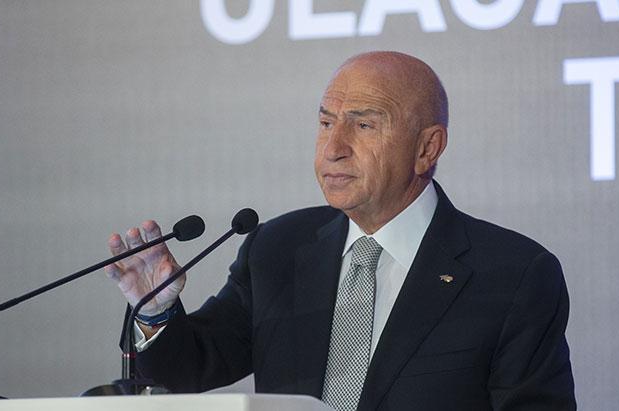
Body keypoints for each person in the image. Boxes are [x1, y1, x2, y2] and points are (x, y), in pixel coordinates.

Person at [104, 51, 576, 410]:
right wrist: (156, 311)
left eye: (363, 125)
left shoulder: (514, 275)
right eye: (326, 123)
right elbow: (191, 369)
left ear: (427, 148)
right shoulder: (277, 248)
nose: (333, 148)